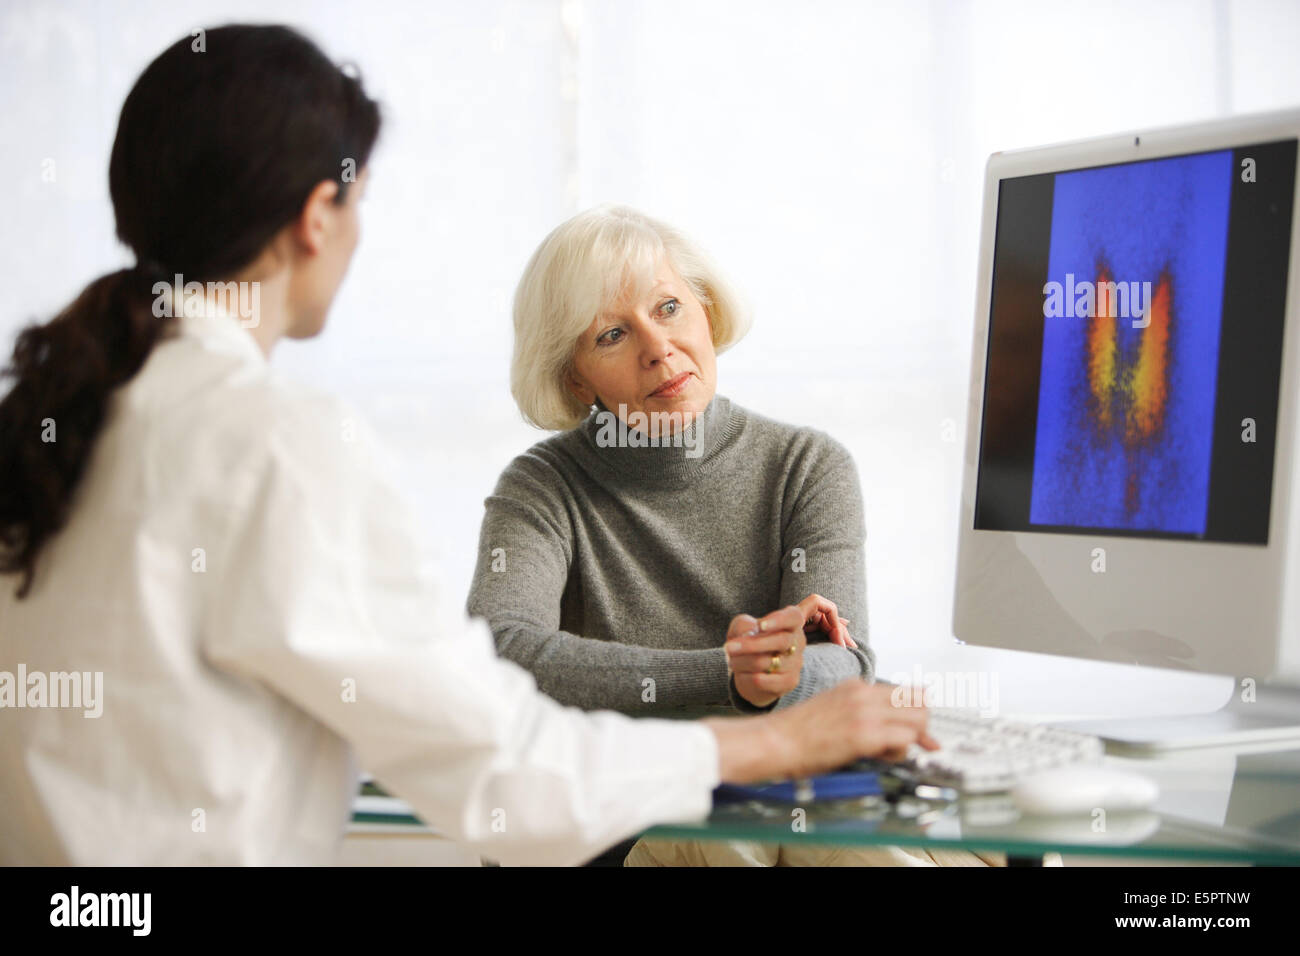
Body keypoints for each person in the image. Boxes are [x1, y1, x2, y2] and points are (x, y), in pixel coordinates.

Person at [0, 25, 940, 867]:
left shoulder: (55, 415)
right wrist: (770, 738)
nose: (657, 347)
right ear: (317, 216)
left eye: (666, 308)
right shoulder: (284, 448)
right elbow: (498, 768)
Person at [468, 205, 1006, 866]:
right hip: (623, 819)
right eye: (612, 334)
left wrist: (777, 673)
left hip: (777, 790)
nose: (658, 348)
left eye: (667, 307)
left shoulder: (807, 465)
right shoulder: (542, 487)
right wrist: (728, 677)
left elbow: (842, 659)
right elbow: (502, 652)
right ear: (575, 377)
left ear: (705, 307)